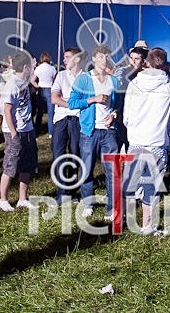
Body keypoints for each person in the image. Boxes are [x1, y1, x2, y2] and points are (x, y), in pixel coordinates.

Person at [122, 47, 170, 234]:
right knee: (151, 186)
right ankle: (147, 225)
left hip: (136, 141)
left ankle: (122, 221)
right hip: (156, 144)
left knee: (129, 184)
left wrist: (133, 130)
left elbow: (126, 116)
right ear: (164, 64)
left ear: (147, 62)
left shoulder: (134, 84)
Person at [68, 44, 121, 220]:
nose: (104, 59)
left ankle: (111, 208)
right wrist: (93, 99)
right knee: (87, 169)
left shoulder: (114, 81)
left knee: (112, 171)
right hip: (89, 132)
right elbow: (72, 103)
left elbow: (119, 105)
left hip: (109, 131)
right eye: (100, 57)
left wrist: (114, 114)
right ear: (94, 59)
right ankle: (88, 204)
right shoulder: (84, 79)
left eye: (107, 56)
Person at [0, 50, 39, 211]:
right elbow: (7, 111)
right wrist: (14, 132)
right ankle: (3, 199)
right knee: (11, 164)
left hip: (28, 129)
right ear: (26, 67)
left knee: (27, 164)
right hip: (15, 130)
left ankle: (22, 198)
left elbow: (35, 83)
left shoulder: (24, 81)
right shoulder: (12, 85)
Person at [50, 47, 85, 203]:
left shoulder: (86, 77)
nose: (64, 60)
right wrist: (75, 103)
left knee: (75, 155)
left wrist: (67, 100)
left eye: (67, 57)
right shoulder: (61, 76)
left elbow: (87, 101)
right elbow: (54, 99)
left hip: (78, 121)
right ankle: (61, 193)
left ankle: (71, 192)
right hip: (61, 120)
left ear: (76, 59)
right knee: (58, 155)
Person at [114, 43, 148, 153]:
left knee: (133, 145)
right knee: (118, 144)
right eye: (131, 58)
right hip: (122, 113)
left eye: (137, 59)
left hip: (139, 116)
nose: (133, 61)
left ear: (143, 61)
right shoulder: (122, 72)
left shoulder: (146, 75)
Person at [33, 52, 57, 136]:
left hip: (41, 89)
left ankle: (37, 131)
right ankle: (51, 132)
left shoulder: (38, 68)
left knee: (40, 112)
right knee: (51, 112)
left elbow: (32, 80)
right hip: (50, 89)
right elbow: (55, 80)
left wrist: (37, 86)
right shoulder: (52, 68)